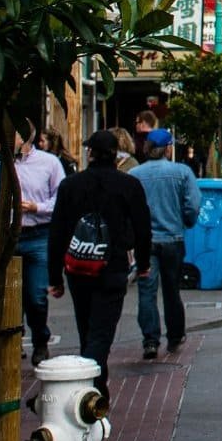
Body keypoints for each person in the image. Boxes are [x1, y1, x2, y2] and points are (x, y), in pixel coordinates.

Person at [47, 130, 152, 397]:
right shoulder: (128, 185)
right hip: (112, 266)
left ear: (90, 153)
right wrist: (143, 263)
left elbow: (57, 231)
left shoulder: (71, 185)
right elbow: (142, 228)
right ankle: (90, 387)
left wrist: (55, 277)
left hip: (79, 267)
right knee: (102, 331)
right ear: (116, 155)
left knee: (87, 327)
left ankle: (94, 386)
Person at [129, 129, 201, 359]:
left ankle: (150, 340)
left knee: (146, 291)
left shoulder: (135, 174)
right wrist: (186, 221)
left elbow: (129, 209)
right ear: (168, 148)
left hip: (145, 242)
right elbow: (192, 206)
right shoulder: (182, 172)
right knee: (172, 290)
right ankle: (175, 335)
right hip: (172, 239)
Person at [15, 121, 66, 366]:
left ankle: (40, 342)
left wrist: (38, 207)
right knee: (9, 294)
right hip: (8, 235)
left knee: (35, 295)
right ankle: (12, 341)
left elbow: (61, 197)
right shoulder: (2, 162)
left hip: (38, 234)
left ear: (25, 138)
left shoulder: (49, 163)